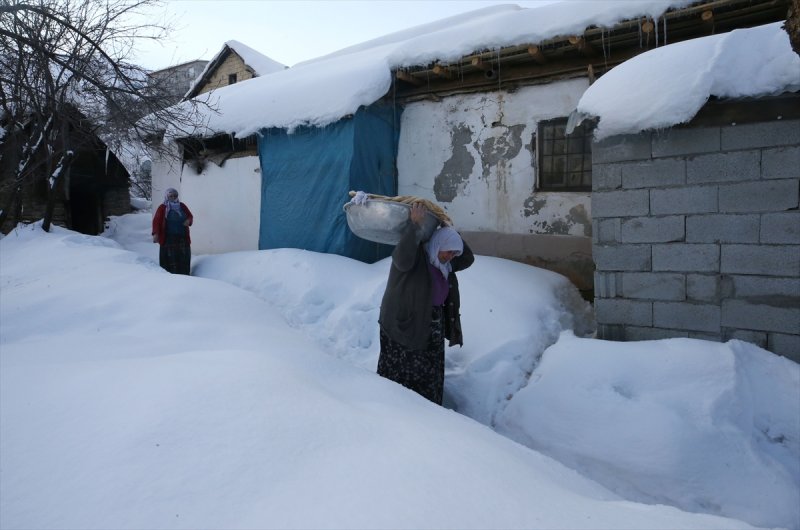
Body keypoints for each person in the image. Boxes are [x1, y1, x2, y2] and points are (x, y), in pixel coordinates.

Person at [377, 202, 474, 405]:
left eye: (453, 253)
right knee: (402, 374)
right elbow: (401, 259)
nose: (450, 256)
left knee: (429, 373)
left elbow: (468, 258)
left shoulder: (445, 265)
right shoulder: (417, 257)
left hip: (431, 324)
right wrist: (415, 226)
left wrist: (448, 229)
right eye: (447, 251)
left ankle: (430, 414)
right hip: (403, 324)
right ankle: (395, 410)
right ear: (437, 244)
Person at [152, 188, 193, 275]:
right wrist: (156, 234)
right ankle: (170, 278)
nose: (173, 197)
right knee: (170, 260)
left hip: (182, 238)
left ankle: (185, 275)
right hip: (168, 239)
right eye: (171, 196)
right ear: (167, 196)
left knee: (183, 258)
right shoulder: (162, 207)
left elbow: (190, 215)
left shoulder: (182, 206)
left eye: (175, 196)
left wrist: (188, 220)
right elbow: (157, 221)